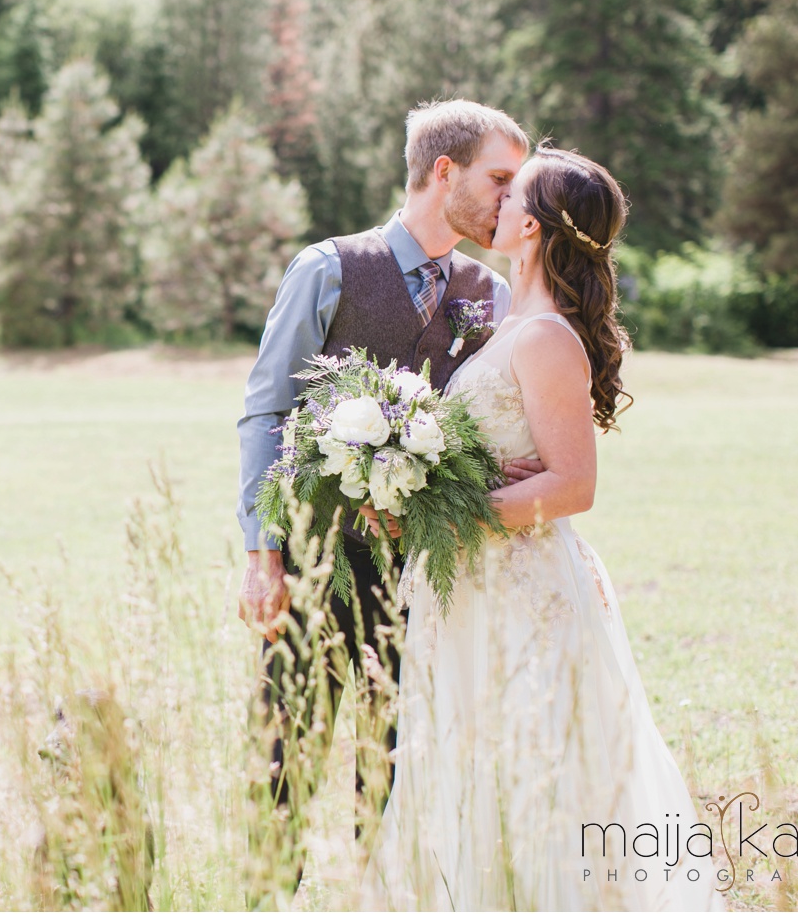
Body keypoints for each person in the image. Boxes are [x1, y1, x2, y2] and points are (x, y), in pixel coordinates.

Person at [359, 147, 723, 910]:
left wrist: (452, 509)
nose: (493, 202)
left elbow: (575, 484)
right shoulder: (505, 321)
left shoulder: (548, 335)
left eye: (508, 191)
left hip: (519, 591)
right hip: (467, 586)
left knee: (529, 762)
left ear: (529, 224)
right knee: (465, 755)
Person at [235, 100, 542, 905]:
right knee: (286, 748)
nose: (514, 201)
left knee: (402, 755)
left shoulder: (490, 291)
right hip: (316, 556)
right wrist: (263, 552)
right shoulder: (329, 267)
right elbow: (266, 409)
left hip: (432, 569)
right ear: (444, 173)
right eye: (500, 180)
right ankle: (268, 895)